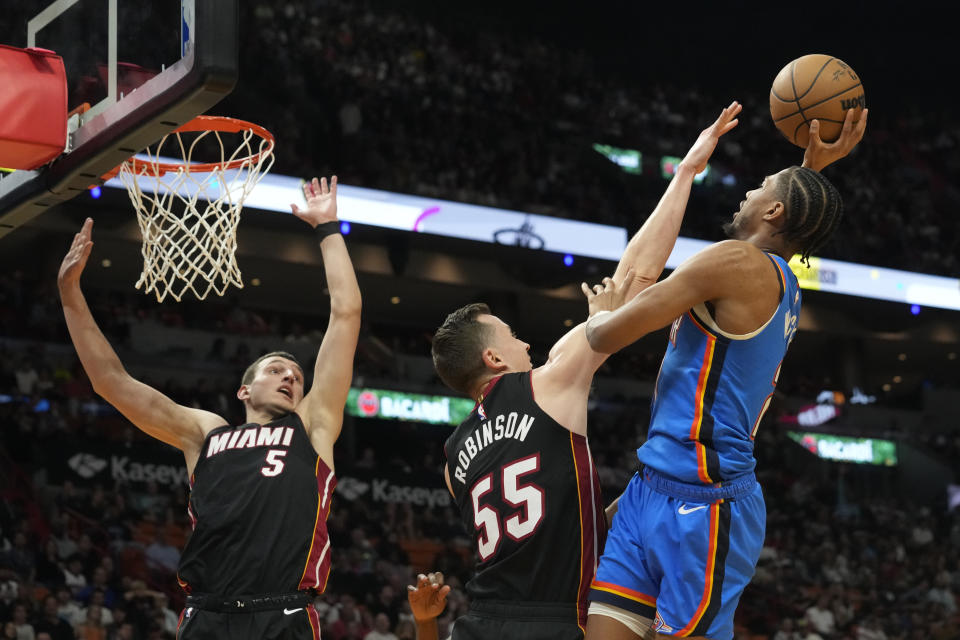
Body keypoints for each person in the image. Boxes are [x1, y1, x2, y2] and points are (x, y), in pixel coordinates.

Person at [430, 103, 749, 640]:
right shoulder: (546, 380)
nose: (525, 341)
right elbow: (637, 276)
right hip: (553, 621)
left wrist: (626, 504)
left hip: (479, 623)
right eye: (512, 335)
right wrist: (686, 173)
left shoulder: (452, 456)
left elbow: (546, 530)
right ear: (493, 358)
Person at [581, 110, 868, 640]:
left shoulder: (734, 263)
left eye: (760, 187)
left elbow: (604, 337)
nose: (748, 192)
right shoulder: (774, 274)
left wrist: (603, 312)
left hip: (706, 510)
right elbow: (795, 207)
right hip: (650, 489)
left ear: (775, 209)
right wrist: (812, 166)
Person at [57, 176, 362, 639]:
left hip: (282, 614)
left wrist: (328, 230)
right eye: (277, 370)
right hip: (206, 614)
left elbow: (345, 314)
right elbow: (111, 382)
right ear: (244, 390)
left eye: (297, 377)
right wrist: (70, 296)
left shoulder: (313, 425)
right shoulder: (207, 433)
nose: (291, 378)